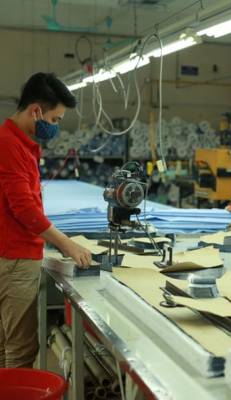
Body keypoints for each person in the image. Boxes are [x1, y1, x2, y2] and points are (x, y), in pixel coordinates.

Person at [0, 72, 93, 368]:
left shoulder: (18, 143)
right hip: (14, 258)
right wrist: (67, 244)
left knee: (3, 348)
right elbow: (24, 209)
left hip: (10, 253)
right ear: (36, 111)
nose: (55, 126)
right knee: (20, 351)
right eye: (54, 119)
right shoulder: (10, 145)